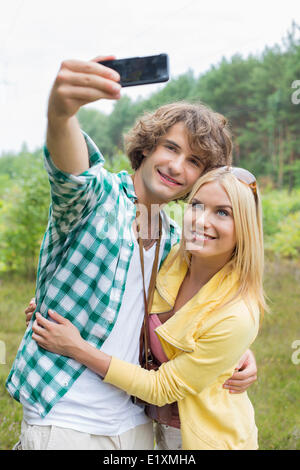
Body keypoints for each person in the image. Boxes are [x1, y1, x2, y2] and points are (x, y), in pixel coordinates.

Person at [6, 55, 257, 451]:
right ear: (147, 147)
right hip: (65, 416)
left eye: (193, 161)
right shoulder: (96, 199)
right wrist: (61, 112)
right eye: (170, 148)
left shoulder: (178, 241)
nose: (176, 166)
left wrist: (238, 352)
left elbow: (204, 309)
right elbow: (72, 171)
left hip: (135, 421)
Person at [30, 165, 265, 450]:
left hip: (208, 438)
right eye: (197, 206)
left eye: (223, 213)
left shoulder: (237, 313)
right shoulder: (172, 258)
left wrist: (76, 348)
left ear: (245, 228)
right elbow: (124, 293)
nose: (202, 221)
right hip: (159, 426)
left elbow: (161, 388)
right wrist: (56, 303)